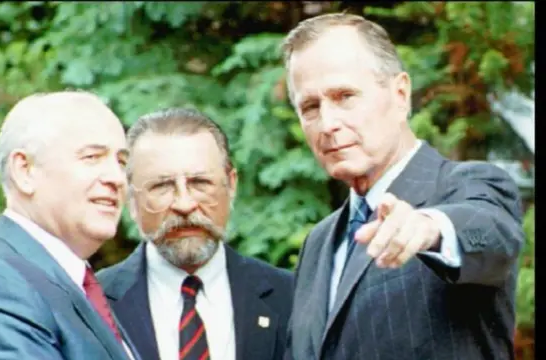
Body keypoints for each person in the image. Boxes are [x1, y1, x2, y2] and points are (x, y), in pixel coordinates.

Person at [280, 12, 525, 360]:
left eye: (345, 95)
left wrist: (429, 228)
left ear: (400, 94)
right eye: (310, 107)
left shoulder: (469, 185)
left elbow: (493, 233)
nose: (328, 123)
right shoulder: (318, 244)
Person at [0, 91, 140, 360]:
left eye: (121, 161)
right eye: (92, 157)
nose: (117, 178)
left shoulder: (77, 286)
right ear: (25, 170)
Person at [96, 108, 294, 360]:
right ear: (132, 200)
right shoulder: (93, 304)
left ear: (231, 184)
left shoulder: (293, 298)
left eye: (200, 183)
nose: (184, 204)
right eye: (162, 185)